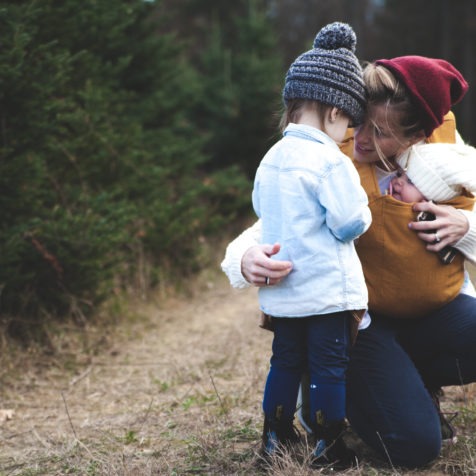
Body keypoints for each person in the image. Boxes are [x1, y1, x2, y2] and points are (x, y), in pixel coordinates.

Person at [221, 54, 476, 469]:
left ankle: (409, 381)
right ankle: (339, 385)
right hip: (358, 325)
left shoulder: (444, 151)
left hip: (432, 314)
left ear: (417, 136)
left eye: (382, 133)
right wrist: (243, 258)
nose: (362, 138)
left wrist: (465, 225)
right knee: (416, 448)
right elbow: (278, 219)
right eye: (361, 122)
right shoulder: (327, 150)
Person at [252, 22, 371, 469]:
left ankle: (274, 436)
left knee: (283, 361)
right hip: (325, 292)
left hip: (284, 294)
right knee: (327, 369)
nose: (348, 133)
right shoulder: (329, 160)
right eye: (349, 122)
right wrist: (363, 209)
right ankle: (327, 444)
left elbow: (262, 209)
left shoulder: (271, 158)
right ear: (334, 112)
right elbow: (348, 223)